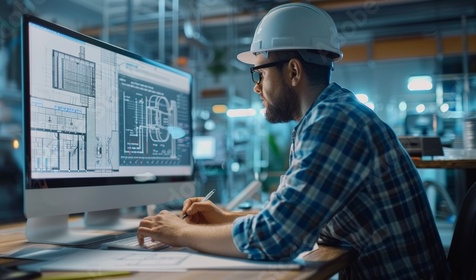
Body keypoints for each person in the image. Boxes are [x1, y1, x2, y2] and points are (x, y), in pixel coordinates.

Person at [138, 3, 451, 279]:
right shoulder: (330, 114)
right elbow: (295, 215)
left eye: (260, 74)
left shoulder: (333, 123)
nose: (257, 88)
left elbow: (279, 238)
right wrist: (227, 217)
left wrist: (180, 232)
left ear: (293, 71)